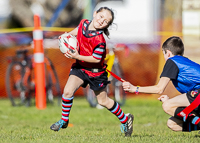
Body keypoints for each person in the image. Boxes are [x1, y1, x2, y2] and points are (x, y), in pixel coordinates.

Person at [50, 7, 134, 137]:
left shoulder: (100, 40)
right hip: (80, 68)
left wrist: (77, 56)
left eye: (106, 21)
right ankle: (64, 120)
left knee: (103, 101)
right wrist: (67, 35)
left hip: (96, 73)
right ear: (95, 14)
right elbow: (78, 31)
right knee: (67, 91)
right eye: (101, 17)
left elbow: (95, 59)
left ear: (107, 25)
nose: (101, 21)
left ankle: (125, 119)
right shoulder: (84, 23)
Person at [122, 36, 200, 132]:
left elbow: (159, 89)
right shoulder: (184, 61)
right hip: (197, 96)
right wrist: (171, 101)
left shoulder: (172, 61)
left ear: (168, 53)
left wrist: (135, 89)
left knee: (167, 106)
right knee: (172, 124)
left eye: (163, 54)